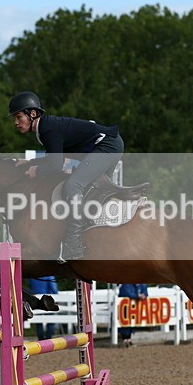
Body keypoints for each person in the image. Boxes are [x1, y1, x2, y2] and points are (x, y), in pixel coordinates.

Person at [9, 91, 124, 261]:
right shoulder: (46, 127)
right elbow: (55, 159)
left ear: (32, 114)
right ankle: (94, 234)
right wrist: (28, 163)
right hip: (110, 144)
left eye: (19, 117)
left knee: (73, 185)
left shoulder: (47, 129)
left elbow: (55, 166)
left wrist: (36, 171)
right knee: (92, 190)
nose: (16, 122)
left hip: (107, 145)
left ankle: (73, 243)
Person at [27, 276, 59, 340]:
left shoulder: (32, 277)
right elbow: (54, 289)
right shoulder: (49, 276)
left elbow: (31, 286)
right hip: (47, 300)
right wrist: (57, 297)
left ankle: (40, 339)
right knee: (50, 321)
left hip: (36, 299)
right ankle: (48, 338)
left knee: (39, 322)